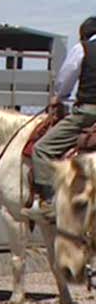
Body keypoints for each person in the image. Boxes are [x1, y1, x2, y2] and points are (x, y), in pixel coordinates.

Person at [27, 15, 96, 220]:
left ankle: (49, 202)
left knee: (42, 149)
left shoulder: (82, 50)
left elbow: (66, 79)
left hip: (88, 113)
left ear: (84, 35)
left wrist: (59, 98)